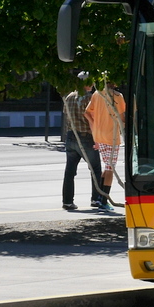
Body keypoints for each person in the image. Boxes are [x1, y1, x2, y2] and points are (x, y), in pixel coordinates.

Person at [61, 72, 104, 212]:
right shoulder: (90, 98)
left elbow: (65, 116)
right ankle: (96, 199)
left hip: (71, 135)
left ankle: (67, 201)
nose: (92, 85)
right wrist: (98, 138)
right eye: (91, 82)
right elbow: (95, 119)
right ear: (86, 83)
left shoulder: (69, 97)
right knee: (95, 169)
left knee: (70, 171)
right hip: (87, 136)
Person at [85, 80, 126, 212]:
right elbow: (122, 117)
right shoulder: (117, 97)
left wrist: (96, 124)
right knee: (110, 169)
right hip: (111, 136)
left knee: (107, 166)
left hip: (99, 135)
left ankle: (100, 197)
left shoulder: (97, 94)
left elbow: (87, 112)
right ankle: (104, 200)